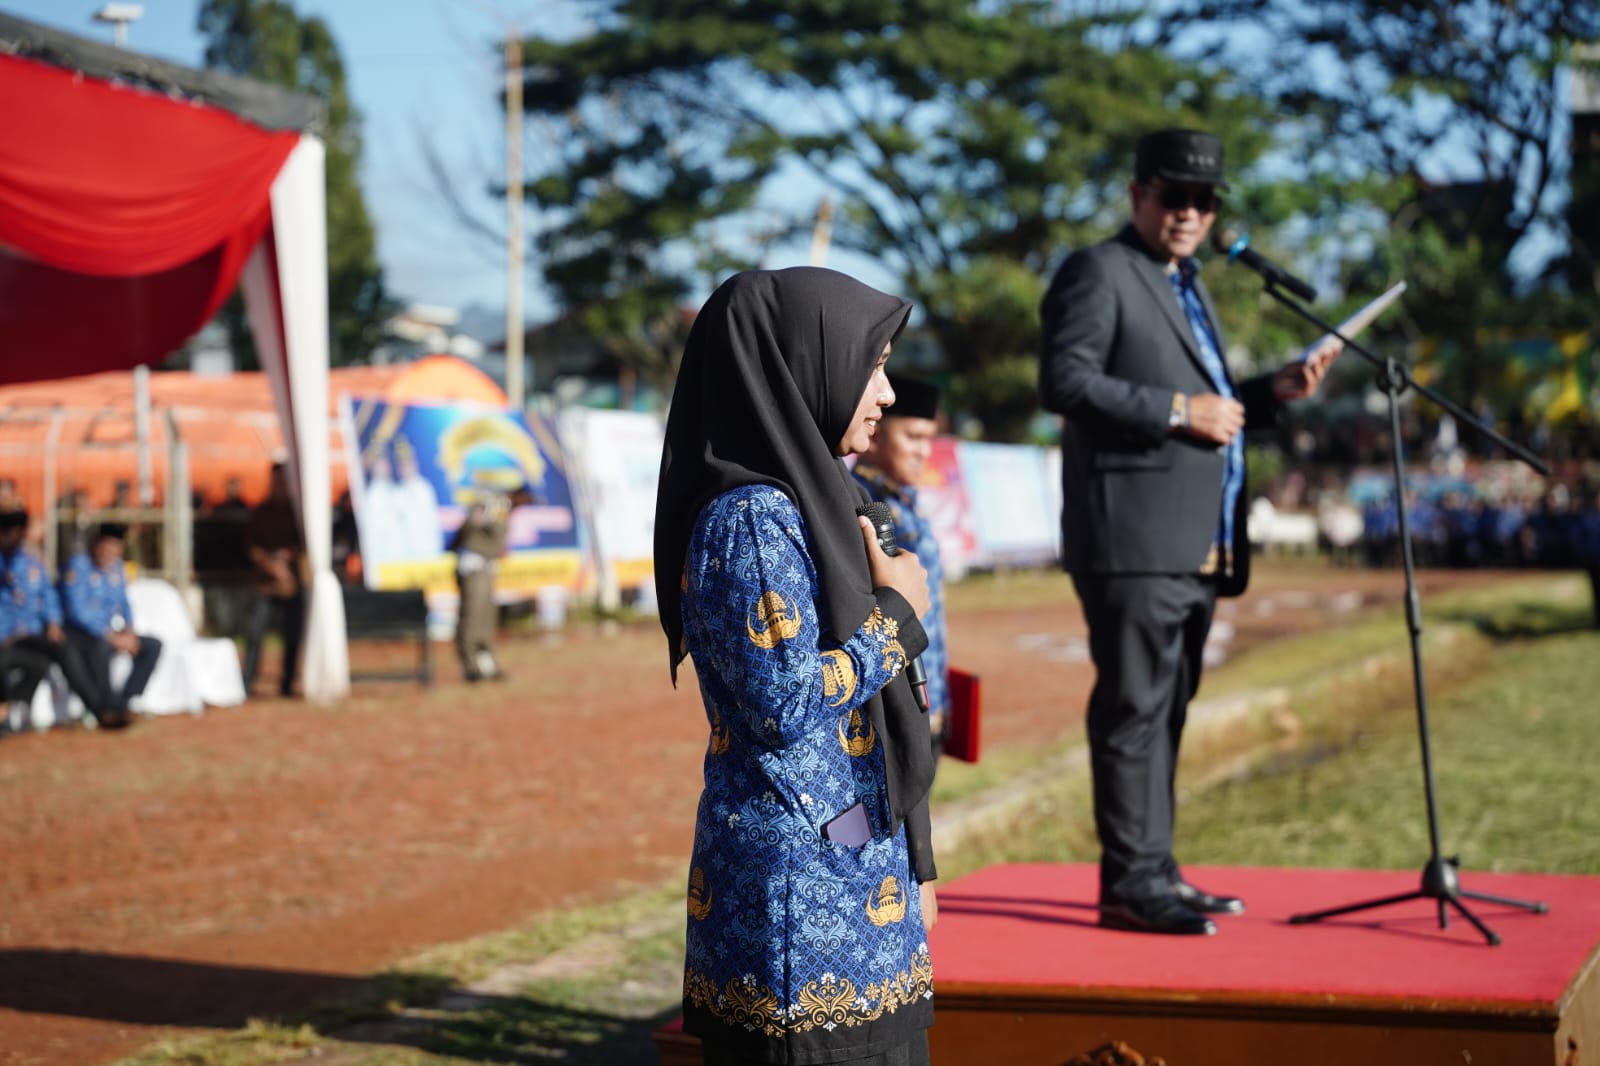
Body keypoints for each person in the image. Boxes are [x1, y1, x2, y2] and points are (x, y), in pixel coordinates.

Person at [1038, 129, 1335, 937]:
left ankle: (1155, 866)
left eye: (1204, 201)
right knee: (1134, 706)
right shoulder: (1099, 270)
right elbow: (1064, 380)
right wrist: (1178, 411)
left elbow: (1212, 403)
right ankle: (1130, 883)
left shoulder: (1187, 282)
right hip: (1130, 536)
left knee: (1168, 706)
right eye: (1174, 196)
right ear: (1139, 194)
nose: (1190, 213)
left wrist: (1269, 393)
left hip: (1196, 539)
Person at [655, 267, 938, 1066]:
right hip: (799, 922)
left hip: (855, 895)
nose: (885, 394)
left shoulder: (823, 505)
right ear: (806, 367)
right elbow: (779, 703)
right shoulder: (751, 519)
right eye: (873, 366)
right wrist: (897, 621)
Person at [851, 373, 952, 762]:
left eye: (929, 439)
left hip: (928, 690)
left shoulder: (906, 498)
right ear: (876, 434)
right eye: (912, 437)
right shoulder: (864, 506)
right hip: (896, 704)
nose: (923, 452)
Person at [0, 510, 123, 727]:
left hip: (34, 631)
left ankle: (103, 706)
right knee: (50, 656)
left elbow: (48, 594)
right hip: (9, 634)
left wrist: (54, 621)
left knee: (81, 647)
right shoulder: (7, 561)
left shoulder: (32, 561)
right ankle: (9, 710)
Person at [59, 523, 163, 718]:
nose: (110, 554)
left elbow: (124, 603)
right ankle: (105, 705)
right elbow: (77, 612)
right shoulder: (78, 566)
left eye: (115, 549)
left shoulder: (117, 568)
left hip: (111, 632)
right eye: (106, 548)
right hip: (82, 633)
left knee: (152, 646)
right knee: (99, 648)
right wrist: (110, 636)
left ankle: (126, 701)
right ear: (96, 545)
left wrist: (129, 630)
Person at [241, 460, 304, 698]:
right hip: (264, 585)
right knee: (255, 634)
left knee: (292, 635)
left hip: (290, 585)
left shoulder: (296, 512)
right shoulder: (261, 512)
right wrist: (270, 565)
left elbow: (302, 544)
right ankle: (248, 682)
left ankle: (287, 683)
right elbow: (252, 547)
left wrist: (287, 559)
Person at [450, 492, 509, 682]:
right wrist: (482, 517)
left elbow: (498, 535)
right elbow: (466, 531)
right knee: (471, 618)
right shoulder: (480, 509)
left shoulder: (500, 511)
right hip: (473, 569)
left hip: (487, 569)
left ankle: (486, 665)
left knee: (486, 620)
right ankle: (470, 666)